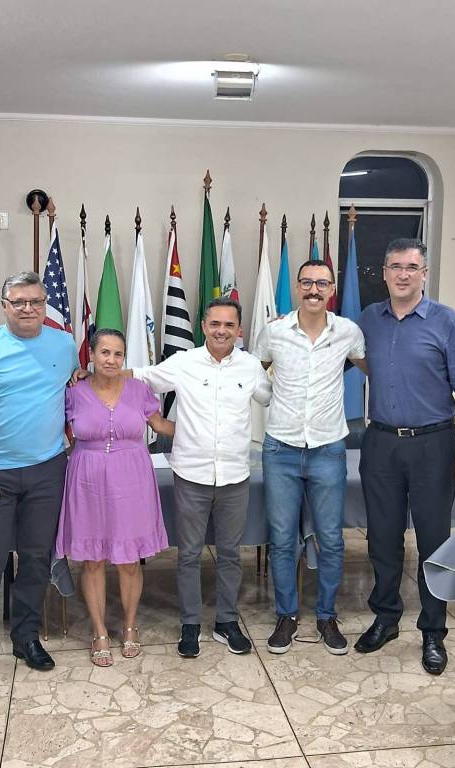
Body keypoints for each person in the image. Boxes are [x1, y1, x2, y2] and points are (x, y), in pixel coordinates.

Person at [354, 238, 455, 675]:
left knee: (433, 541)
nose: (403, 274)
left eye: (412, 267)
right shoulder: (369, 319)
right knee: (382, 537)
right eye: (396, 266)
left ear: (424, 274)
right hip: (381, 442)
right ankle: (386, 617)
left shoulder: (446, 321)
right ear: (384, 273)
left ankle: (433, 631)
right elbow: (337, 350)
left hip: (433, 445)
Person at [0, 271, 79, 688]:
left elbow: (74, 389)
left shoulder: (64, 344)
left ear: (45, 305)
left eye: (36, 301)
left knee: (37, 560)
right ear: (4, 305)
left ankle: (26, 638)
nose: (28, 309)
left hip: (47, 470)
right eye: (19, 302)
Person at [126, 297, 271, 657]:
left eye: (229, 325)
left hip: (235, 475)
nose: (221, 331)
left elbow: (270, 398)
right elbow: (140, 378)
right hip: (191, 474)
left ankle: (226, 622)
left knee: (230, 554)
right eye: (214, 324)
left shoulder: (251, 366)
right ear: (203, 326)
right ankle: (190, 624)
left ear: (239, 330)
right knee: (189, 554)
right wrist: (95, 375)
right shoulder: (184, 363)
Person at [253, 260, 366, 655]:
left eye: (322, 283)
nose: (314, 289)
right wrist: (270, 398)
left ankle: (326, 616)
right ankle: (286, 615)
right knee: (283, 539)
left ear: (332, 289)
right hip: (280, 449)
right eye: (307, 282)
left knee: (331, 539)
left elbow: (374, 369)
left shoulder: (348, 332)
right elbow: (254, 371)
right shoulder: (275, 331)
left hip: (327, 450)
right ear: (298, 288)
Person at [55, 328, 173, 664]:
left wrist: (205, 432)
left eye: (118, 354)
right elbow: (52, 429)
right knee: (92, 559)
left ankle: (130, 626)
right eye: (104, 352)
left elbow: (161, 426)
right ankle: (99, 632)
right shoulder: (74, 392)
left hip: (132, 480)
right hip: (86, 481)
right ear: (91, 355)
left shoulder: (139, 390)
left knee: (129, 560)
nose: (111, 359)